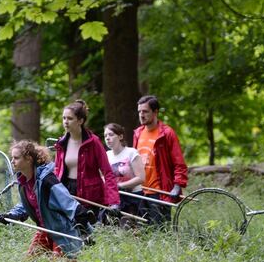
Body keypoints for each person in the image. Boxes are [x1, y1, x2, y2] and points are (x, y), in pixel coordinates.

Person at [0, 140, 95, 258]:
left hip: (62, 230)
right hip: (44, 229)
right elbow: (26, 204)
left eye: (16, 158)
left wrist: (82, 221)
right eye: (12, 158)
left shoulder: (47, 180)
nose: (12, 161)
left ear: (28, 159)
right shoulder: (23, 181)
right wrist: (11, 215)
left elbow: (66, 201)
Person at [53, 99, 120, 223]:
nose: (65, 122)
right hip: (67, 191)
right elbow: (57, 171)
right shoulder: (61, 143)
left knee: (89, 233)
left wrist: (114, 202)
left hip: (90, 195)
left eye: (70, 118)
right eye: (64, 118)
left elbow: (108, 173)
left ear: (80, 121)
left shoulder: (93, 142)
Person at [132, 95, 188, 225]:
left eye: (145, 111)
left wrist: (177, 186)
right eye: (139, 111)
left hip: (159, 192)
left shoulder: (167, 133)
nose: (141, 115)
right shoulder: (137, 133)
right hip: (140, 191)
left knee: (160, 230)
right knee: (142, 232)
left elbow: (179, 163)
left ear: (155, 112)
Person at [104, 123, 145, 216]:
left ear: (120, 136)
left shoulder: (131, 152)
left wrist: (120, 185)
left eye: (111, 135)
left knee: (129, 227)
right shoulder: (107, 155)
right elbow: (104, 176)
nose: (107, 138)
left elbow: (141, 178)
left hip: (133, 197)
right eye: (105, 135)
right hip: (115, 198)